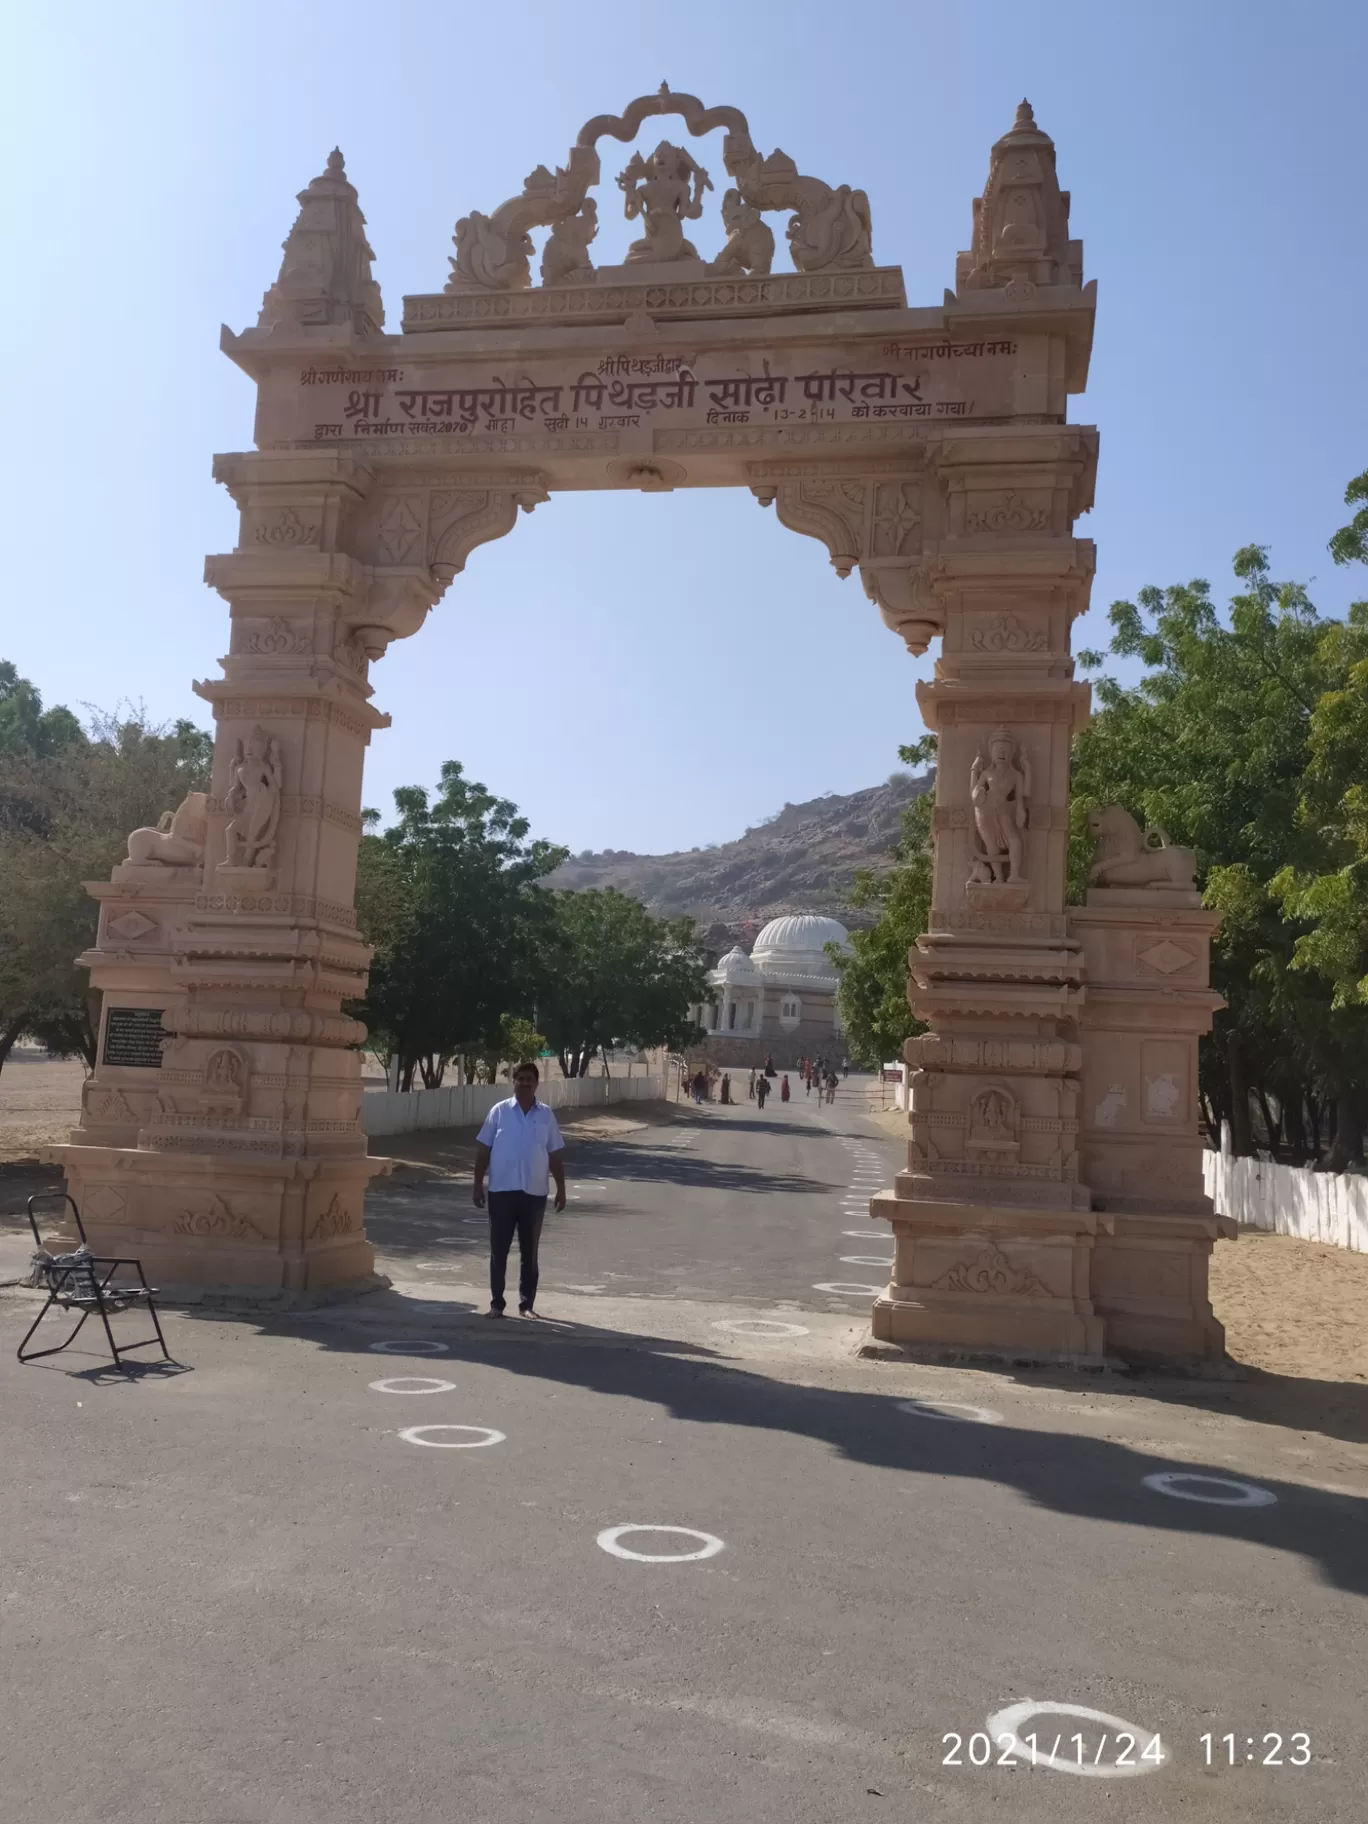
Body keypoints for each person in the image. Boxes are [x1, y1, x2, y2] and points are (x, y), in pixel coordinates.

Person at [472, 1060, 566, 1319]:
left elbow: (555, 1154)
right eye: (520, 1078)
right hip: (501, 1191)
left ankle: (526, 1305)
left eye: (529, 1080)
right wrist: (477, 1184)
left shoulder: (546, 1115)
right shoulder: (499, 1112)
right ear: (513, 1082)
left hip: (534, 1193)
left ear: (536, 1084)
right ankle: (496, 1304)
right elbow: (483, 1150)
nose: (524, 1083)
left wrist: (561, 1188)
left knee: (529, 1252)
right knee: (498, 1250)